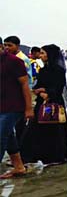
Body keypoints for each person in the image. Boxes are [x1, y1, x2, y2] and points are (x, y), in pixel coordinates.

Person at [20, 44, 67, 166]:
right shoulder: (43, 69)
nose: (41, 55)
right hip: (41, 104)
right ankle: (28, 157)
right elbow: (37, 86)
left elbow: (58, 88)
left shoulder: (59, 70)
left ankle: (55, 158)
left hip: (54, 105)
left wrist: (46, 92)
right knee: (33, 130)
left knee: (54, 132)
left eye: (43, 53)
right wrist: (41, 91)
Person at [0, 38, 34, 179]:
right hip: (1, 106)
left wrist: (28, 108)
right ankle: (19, 167)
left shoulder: (15, 62)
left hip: (14, 106)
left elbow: (25, 85)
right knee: (9, 136)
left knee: (1, 137)